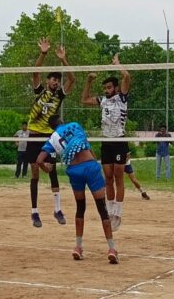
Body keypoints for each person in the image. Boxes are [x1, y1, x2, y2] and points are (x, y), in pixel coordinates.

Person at [36, 115, 118, 264]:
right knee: (102, 209)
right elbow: (87, 146)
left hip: (74, 171)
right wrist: (95, 163)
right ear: (61, 120)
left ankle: (78, 247)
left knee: (80, 208)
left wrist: (45, 168)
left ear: (51, 128)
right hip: (90, 167)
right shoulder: (74, 125)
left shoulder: (53, 138)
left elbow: (39, 160)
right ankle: (111, 248)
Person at [25, 37, 75, 227]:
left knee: (52, 170)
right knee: (35, 173)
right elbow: (35, 71)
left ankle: (57, 209)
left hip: (48, 137)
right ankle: (35, 212)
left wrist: (63, 59)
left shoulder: (59, 95)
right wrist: (43, 53)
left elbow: (72, 79)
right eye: (53, 79)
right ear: (48, 81)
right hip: (33, 135)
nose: (55, 82)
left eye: (57, 80)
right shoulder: (39, 91)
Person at [81, 55, 132, 231]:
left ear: (115, 88)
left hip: (119, 140)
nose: (106, 90)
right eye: (104, 88)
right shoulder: (103, 101)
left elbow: (127, 77)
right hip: (106, 141)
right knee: (108, 177)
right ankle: (109, 212)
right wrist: (88, 81)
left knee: (119, 176)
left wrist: (118, 64)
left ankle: (118, 213)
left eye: (109, 87)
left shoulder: (122, 99)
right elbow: (84, 99)